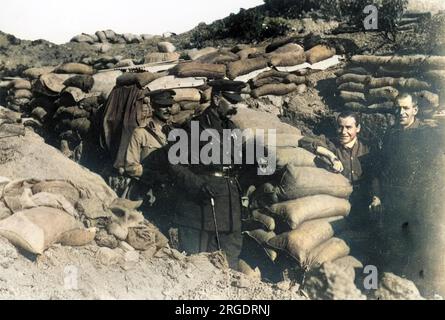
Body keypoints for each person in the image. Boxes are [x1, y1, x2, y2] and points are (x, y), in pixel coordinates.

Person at [166, 81, 246, 268]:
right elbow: (174, 164)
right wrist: (198, 185)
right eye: (232, 101)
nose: (236, 106)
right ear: (217, 99)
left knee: (229, 260)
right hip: (200, 207)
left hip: (229, 205)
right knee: (198, 263)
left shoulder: (232, 128)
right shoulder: (195, 127)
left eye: (237, 101)